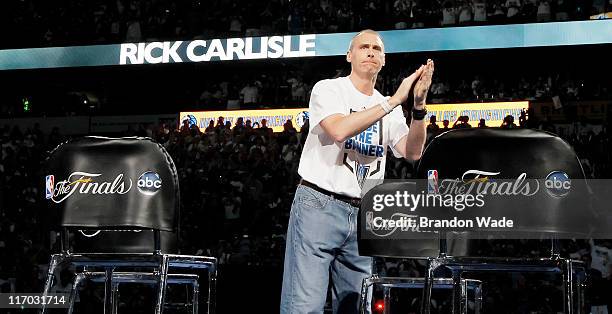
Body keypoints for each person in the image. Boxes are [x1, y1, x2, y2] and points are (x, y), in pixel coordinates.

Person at [280, 29, 434, 314]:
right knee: (304, 306)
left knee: (356, 306)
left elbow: (412, 152)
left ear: (383, 60)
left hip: (365, 211)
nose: (371, 51)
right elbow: (339, 130)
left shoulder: (392, 107)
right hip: (319, 205)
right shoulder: (328, 89)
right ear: (350, 55)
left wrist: (419, 107)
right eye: (363, 46)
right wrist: (391, 102)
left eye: (377, 48)